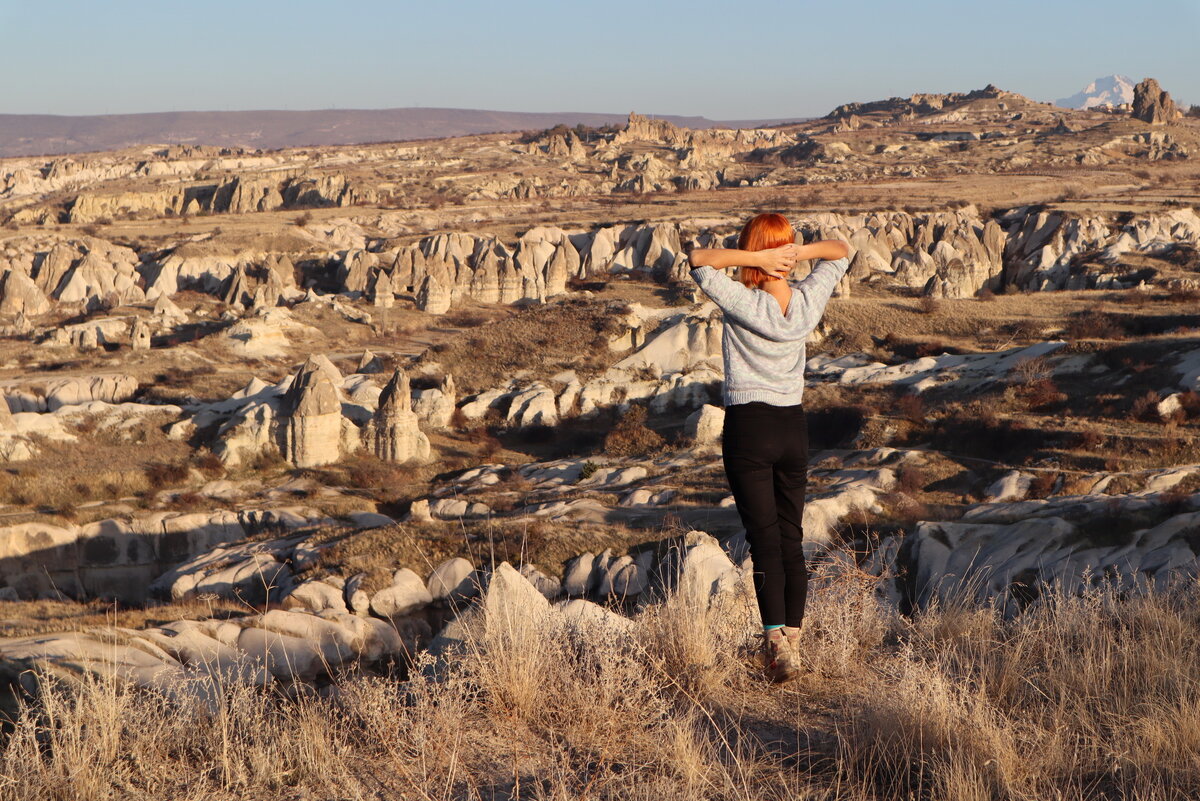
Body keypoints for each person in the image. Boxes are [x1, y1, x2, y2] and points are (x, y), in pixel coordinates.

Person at [688, 213, 850, 682]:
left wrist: (758, 259)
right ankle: (792, 643)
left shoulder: (742, 301)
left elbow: (699, 261)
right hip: (792, 428)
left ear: (755, 250)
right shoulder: (804, 303)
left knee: (763, 542)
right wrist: (797, 256)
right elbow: (840, 250)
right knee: (790, 540)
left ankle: (775, 641)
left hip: (750, 427)